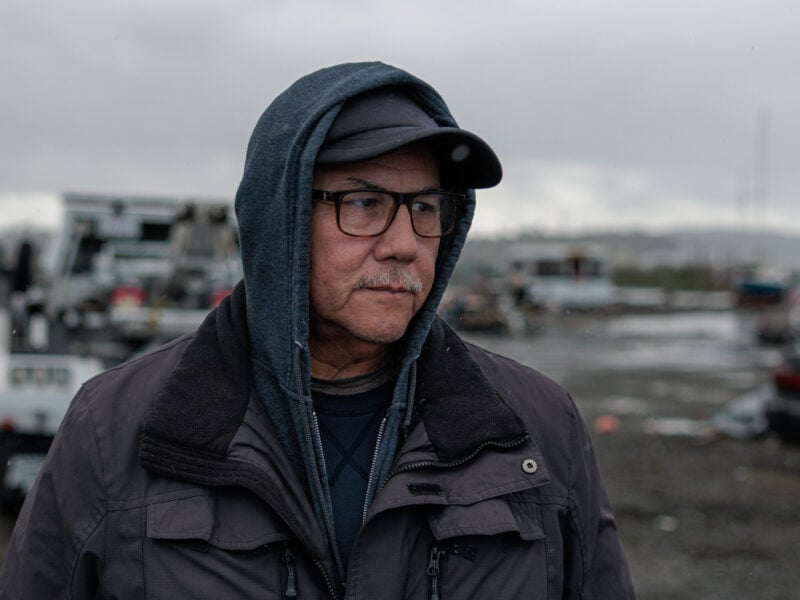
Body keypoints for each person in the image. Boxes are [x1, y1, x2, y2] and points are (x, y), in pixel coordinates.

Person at [0, 62, 635, 599]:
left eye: (425, 208)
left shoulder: (536, 428)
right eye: (364, 204)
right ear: (283, 220)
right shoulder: (115, 432)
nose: (404, 245)